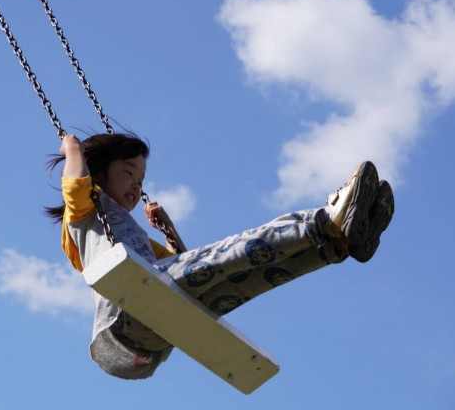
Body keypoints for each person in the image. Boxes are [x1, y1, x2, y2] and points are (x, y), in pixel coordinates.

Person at [46, 132, 394, 380]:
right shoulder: (84, 213)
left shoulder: (133, 237)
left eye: (141, 180)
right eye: (129, 174)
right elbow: (75, 182)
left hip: (152, 333)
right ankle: (322, 220)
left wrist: (167, 229)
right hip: (122, 324)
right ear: (98, 170)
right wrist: (73, 146)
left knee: (243, 275)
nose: (137, 187)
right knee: (235, 249)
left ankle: (334, 244)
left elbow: (188, 264)